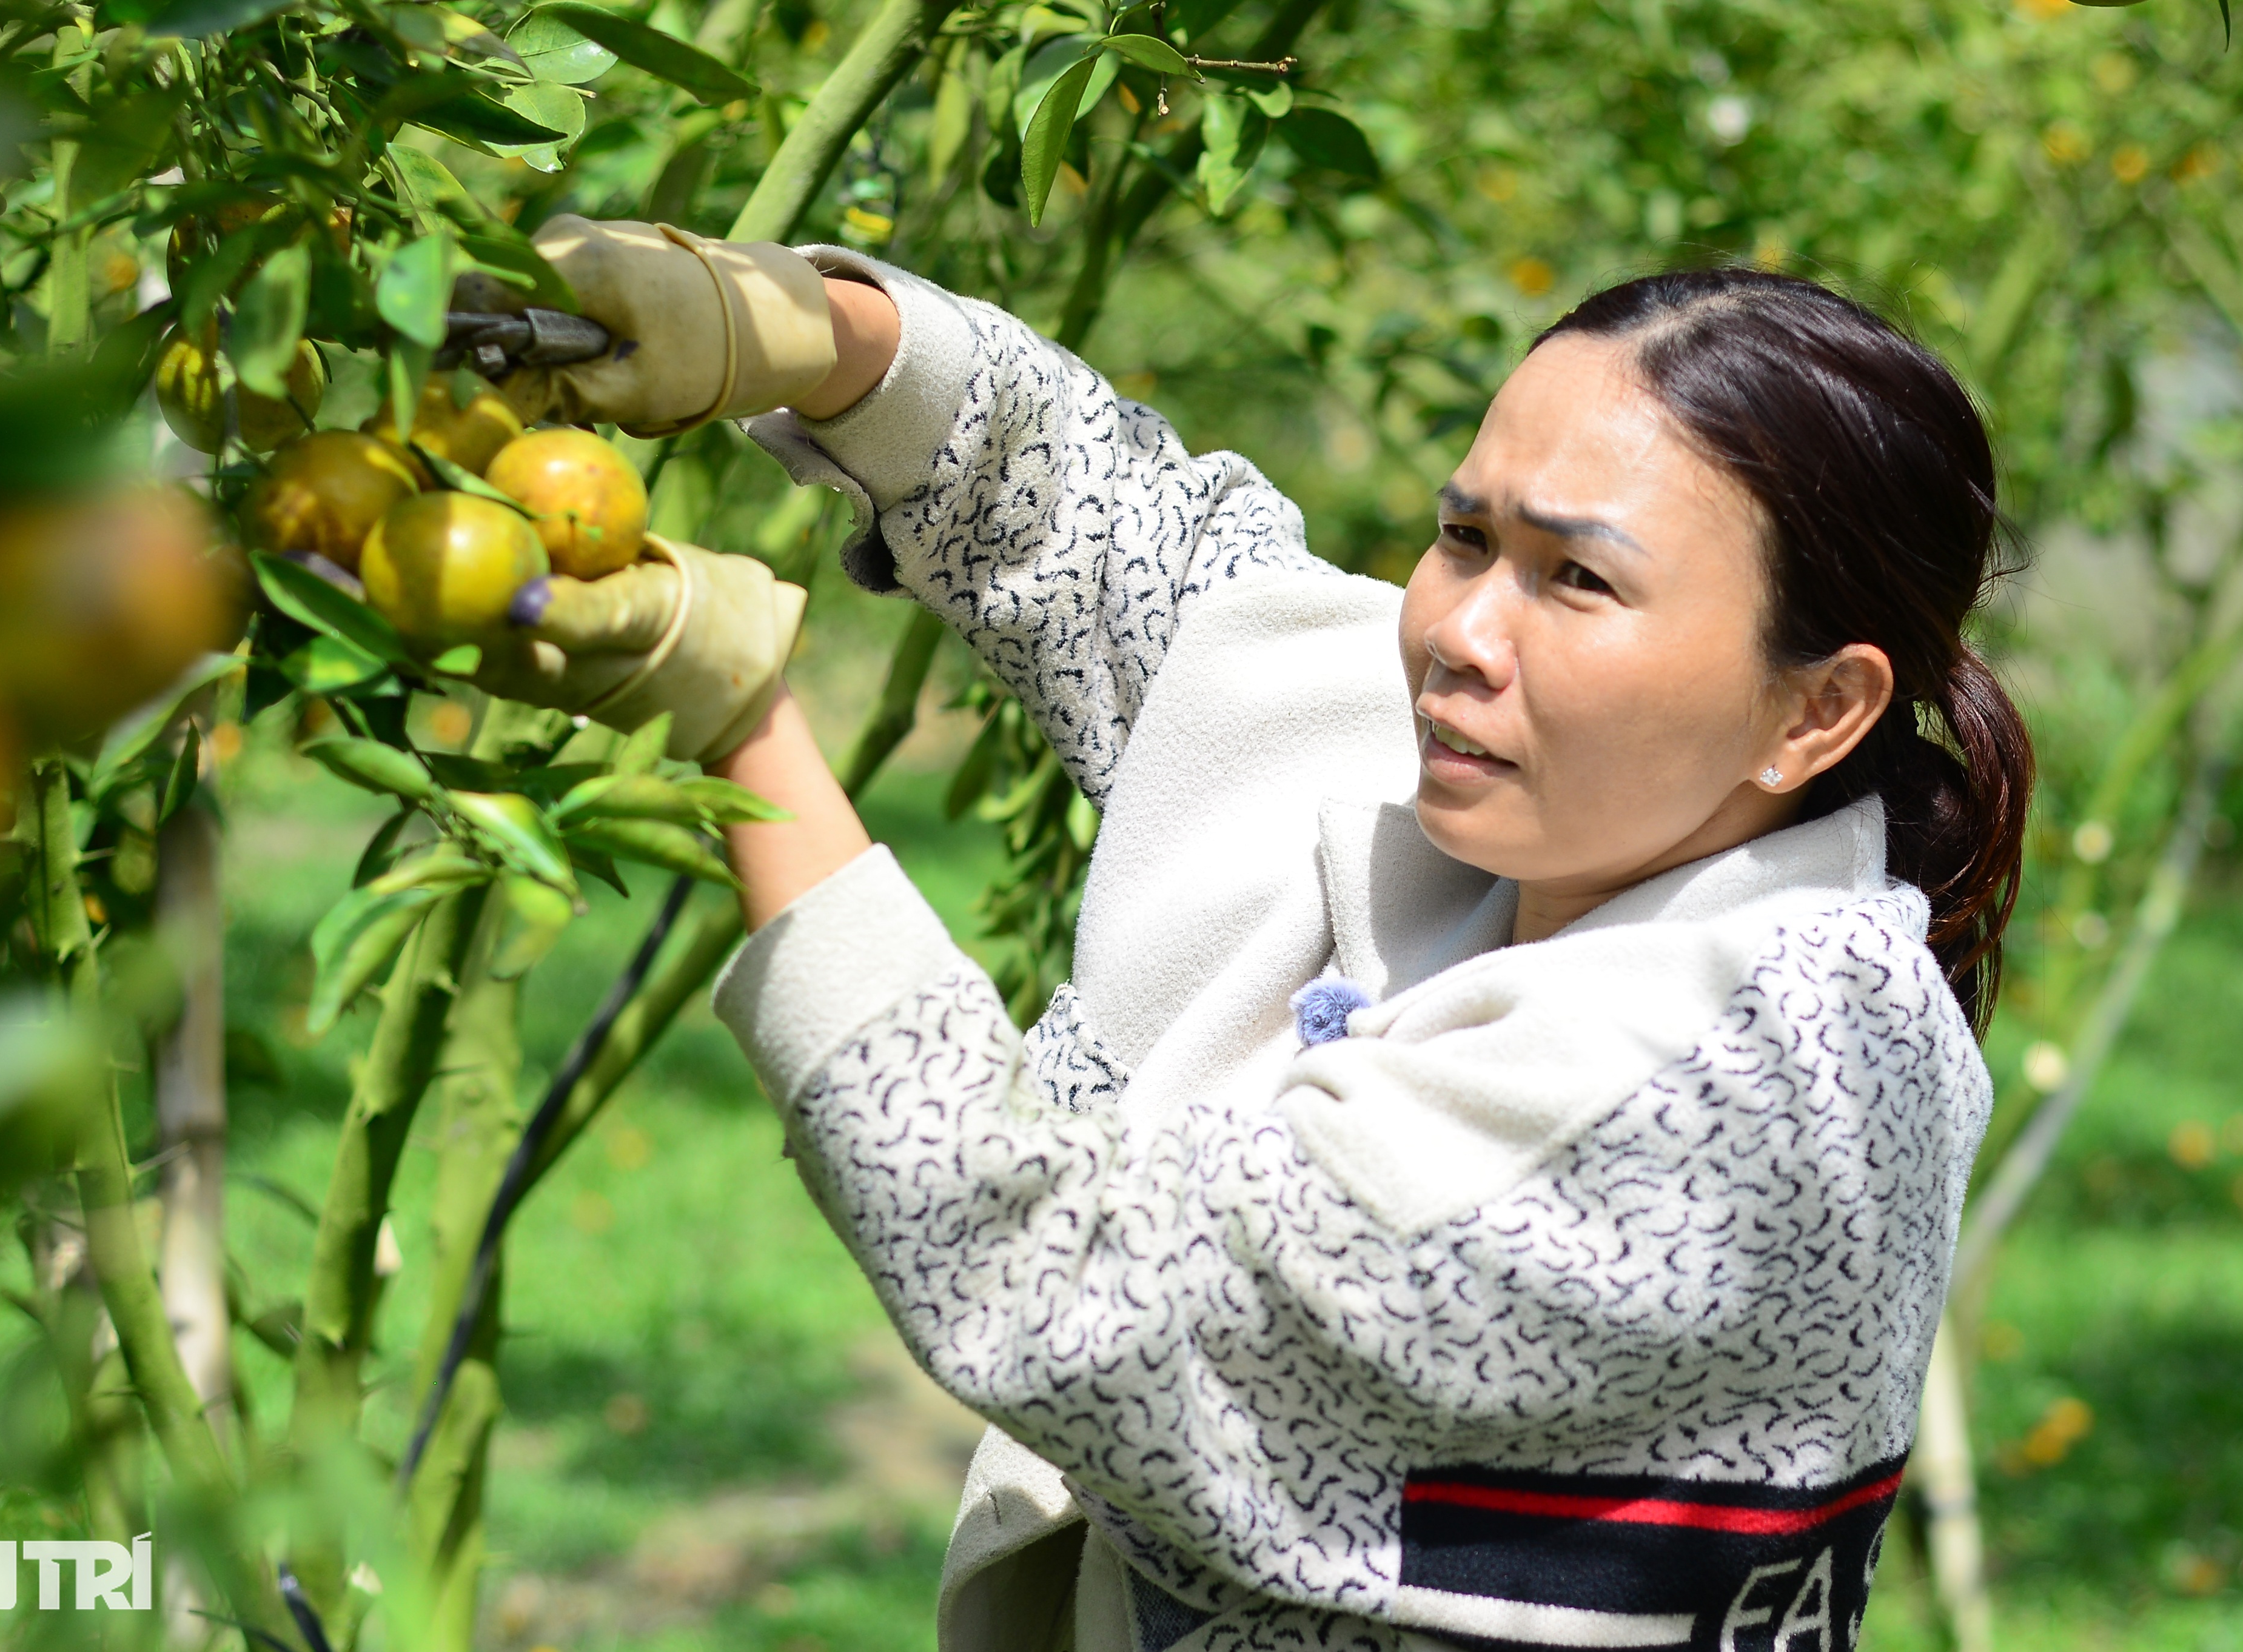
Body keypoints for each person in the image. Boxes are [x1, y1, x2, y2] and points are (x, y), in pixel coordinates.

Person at [495, 232, 2031, 1652]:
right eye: (1463, 535)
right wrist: (792, 327)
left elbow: (1059, 1266)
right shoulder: (1560, 799)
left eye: (1578, 578)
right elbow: (1138, 557)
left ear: (1815, 706)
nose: (1459, 633)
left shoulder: (1752, 1089)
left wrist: (738, 713)